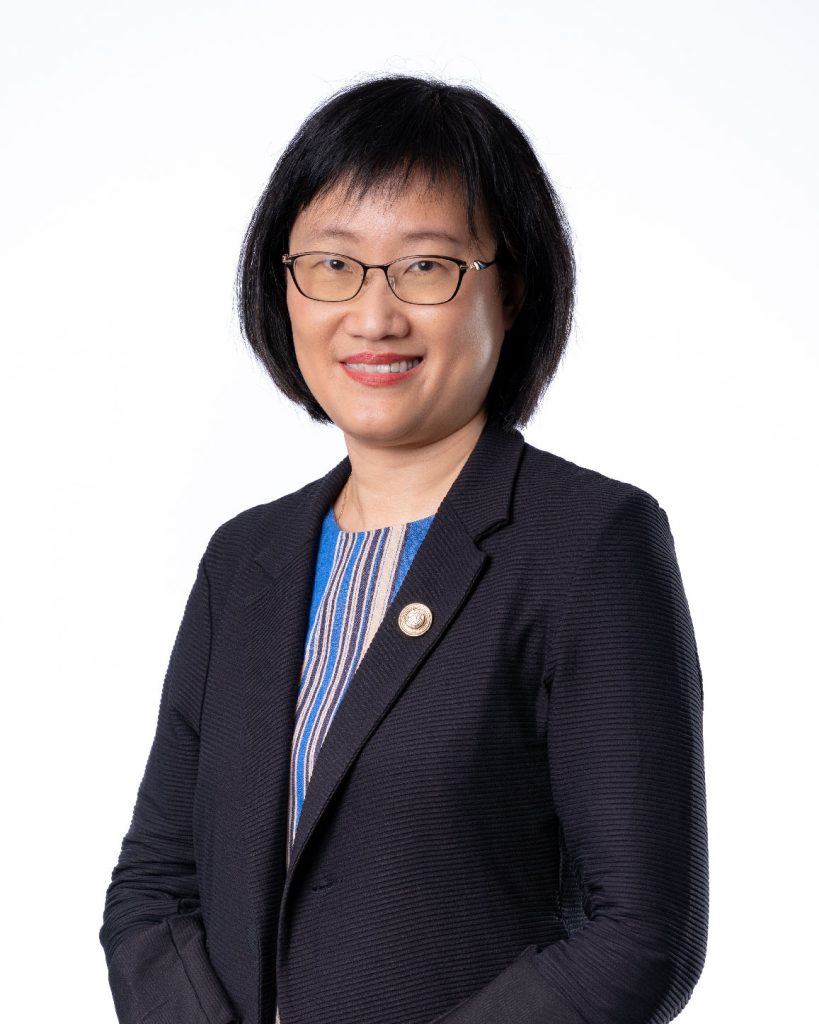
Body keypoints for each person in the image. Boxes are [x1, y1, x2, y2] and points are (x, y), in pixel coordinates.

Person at [99, 74, 709, 1024]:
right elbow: (154, 890)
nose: (373, 315)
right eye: (332, 264)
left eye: (425, 266)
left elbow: (639, 935)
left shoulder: (588, 544)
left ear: (510, 288)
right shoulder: (243, 561)